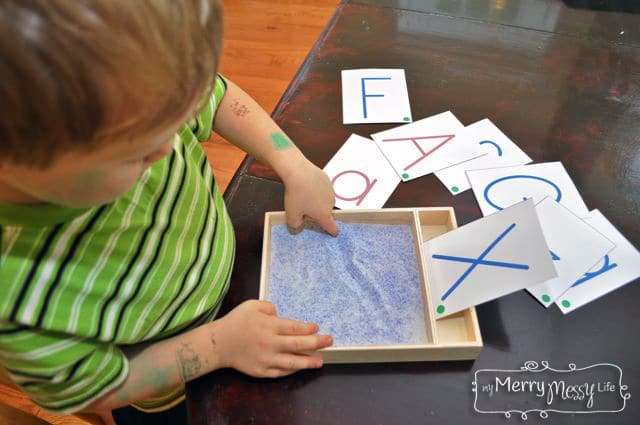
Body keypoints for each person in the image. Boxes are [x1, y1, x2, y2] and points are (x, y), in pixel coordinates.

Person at [0, 1, 337, 423]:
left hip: (239, 281)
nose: (168, 145)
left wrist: (291, 161)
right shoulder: (17, 300)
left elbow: (218, 96)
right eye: (137, 153)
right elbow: (96, 389)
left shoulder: (137, 99)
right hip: (177, 386)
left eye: (175, 118)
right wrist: (217, 346)